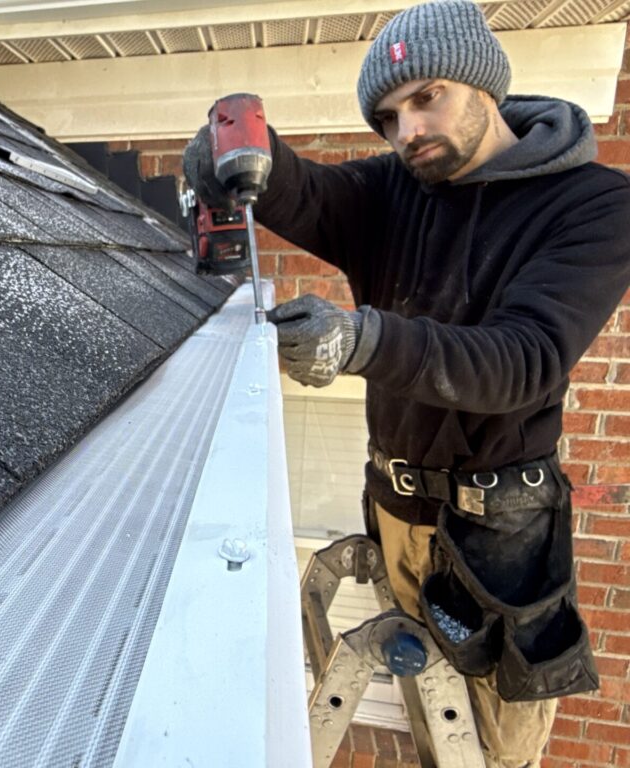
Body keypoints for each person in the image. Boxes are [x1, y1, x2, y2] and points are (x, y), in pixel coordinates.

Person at [184, 1, 630, 766]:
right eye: (388, 119)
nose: (408, 132)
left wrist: (364, 339)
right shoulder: (397, 189)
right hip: (394, 507)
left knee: (493, 745)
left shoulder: (592, 204)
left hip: (500, 538)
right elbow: (311, 194)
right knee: (418, 692)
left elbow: (524, 358)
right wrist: (241, 155)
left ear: (482, 83)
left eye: (428, 99)